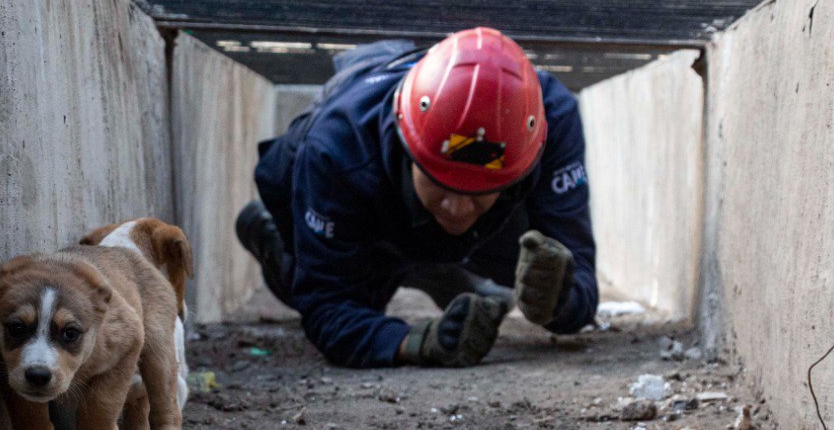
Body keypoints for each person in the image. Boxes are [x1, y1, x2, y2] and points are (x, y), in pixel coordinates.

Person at [236, 27, 598, 368]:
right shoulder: (336, 150)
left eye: (477, 191)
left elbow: (580, 277)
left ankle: (438, 265)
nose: (457, 208)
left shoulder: (549, 117)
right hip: (353, 204)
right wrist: (416, 343)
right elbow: (328, 309)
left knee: (539, 267)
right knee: (341, 299)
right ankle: (274, 241)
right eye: (440, 182)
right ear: (407, 149)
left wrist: (559, 300)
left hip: (471, 224)